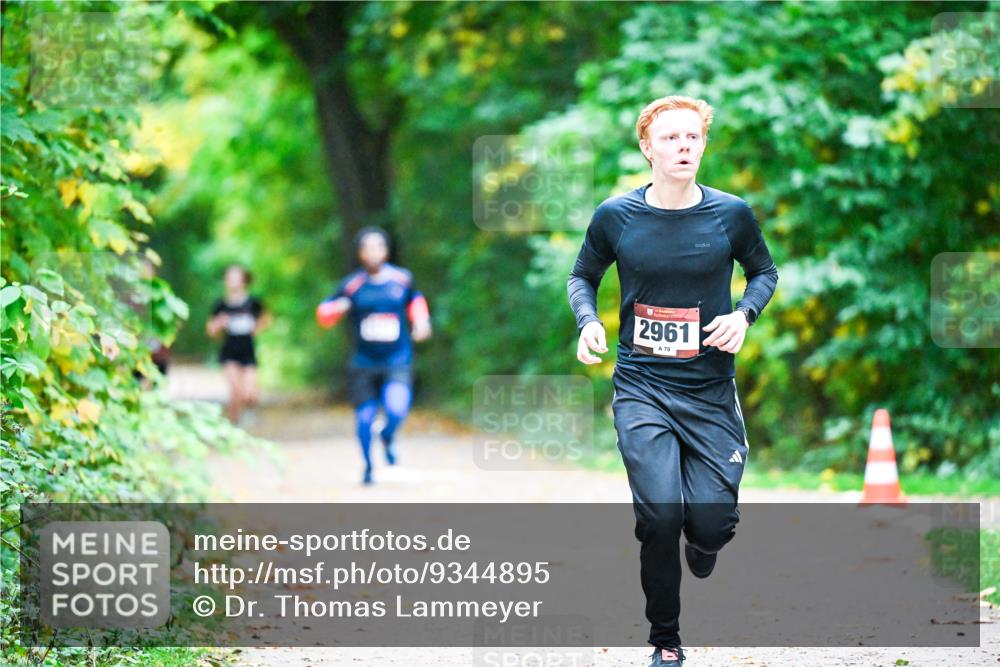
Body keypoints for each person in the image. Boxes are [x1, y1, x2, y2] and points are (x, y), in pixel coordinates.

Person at [567, 95, 778, 667]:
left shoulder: (730, 214)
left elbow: (764, 271)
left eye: (692, 137)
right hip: (641, 386)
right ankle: (666, 640)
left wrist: (742, 316)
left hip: (710, 388)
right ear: (647, 148)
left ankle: (704, 540)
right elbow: (582, 275)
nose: (683, 147)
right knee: (659, 515)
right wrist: (588, 323)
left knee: (709, 525)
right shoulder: (616, 215)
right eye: (670, 139)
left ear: (703, 145)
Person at [316, 227, 432, 485]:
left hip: (397, 360)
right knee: (365, 418)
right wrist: (338, 308)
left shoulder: (402, 279)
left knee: (396, 408)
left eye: (378, 247)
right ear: (360, 254)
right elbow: (323, 313)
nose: (373, 253)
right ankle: (368, 466)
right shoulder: (351, 285)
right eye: (367, 248)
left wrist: (422, 322)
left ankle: (388, 436)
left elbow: (417, 302)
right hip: (363, 362)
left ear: (386, 251)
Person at [207, 264, 271, 424]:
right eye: (230, 277)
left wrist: (256, 328)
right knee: (235, 392)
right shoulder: (221, 304)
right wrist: (219, 324)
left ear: (244, 280)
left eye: (236, 277)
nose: (233, 281)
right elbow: (210, 330)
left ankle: (246, 414)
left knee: (250, 393)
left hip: (248, 350)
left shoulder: (253, 302)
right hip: (229, 351)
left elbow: (266, 318)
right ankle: (233, 425)